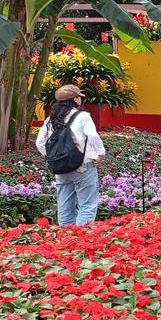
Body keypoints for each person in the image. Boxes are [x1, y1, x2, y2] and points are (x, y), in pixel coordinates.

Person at [36, 85, 106, 226]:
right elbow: (92, 135)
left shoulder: (51, 119)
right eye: (78, 96)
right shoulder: (83, 116)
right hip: (82, 166)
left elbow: (39, 142)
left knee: (65, 208)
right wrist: (100, 154)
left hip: (60, 168)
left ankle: (65, 241)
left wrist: (51, 157)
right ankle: (80, 240)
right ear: (75, 99)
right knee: (87, 206)